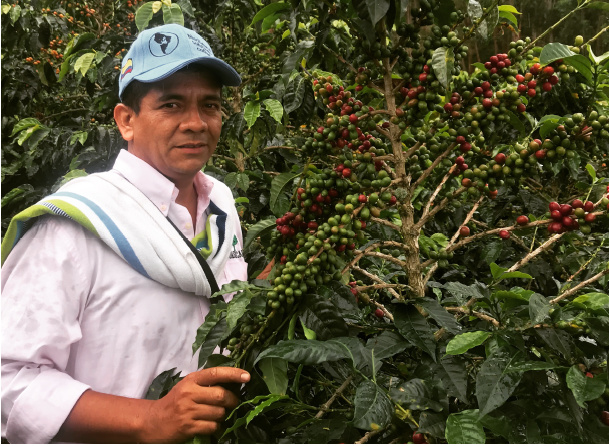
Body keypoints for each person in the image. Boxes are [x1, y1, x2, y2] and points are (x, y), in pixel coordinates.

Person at [1, 24, 251, 443]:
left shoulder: (222, 206)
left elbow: (215, 310)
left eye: (209, 105)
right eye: (171, 105)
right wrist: (151, 419)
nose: (196, 123)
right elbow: (10, 382)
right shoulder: (72, 226)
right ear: (127, 121)